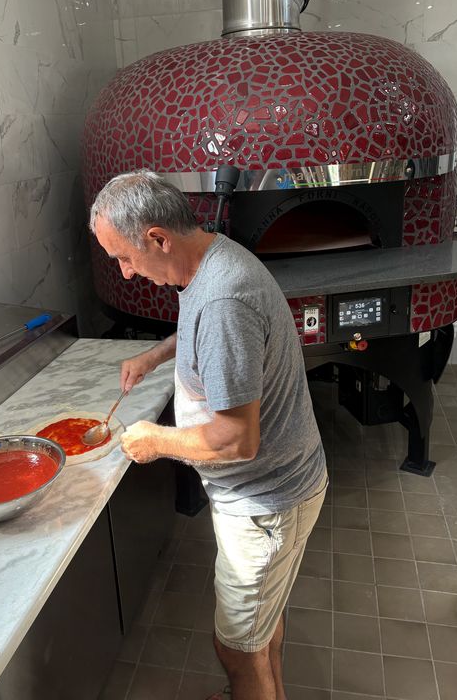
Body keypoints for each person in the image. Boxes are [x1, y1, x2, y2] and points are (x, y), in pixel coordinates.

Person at [90, 171, 327, 700]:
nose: (126, 273)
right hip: (275, 492)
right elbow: (206, 330)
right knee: (259, 631)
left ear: (157, 237)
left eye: (125, 257)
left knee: (237, 649)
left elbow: (235, 440)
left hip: (265, 502)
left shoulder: (224, 300)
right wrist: (157, 354)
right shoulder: (212, 260)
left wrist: (155, 440)